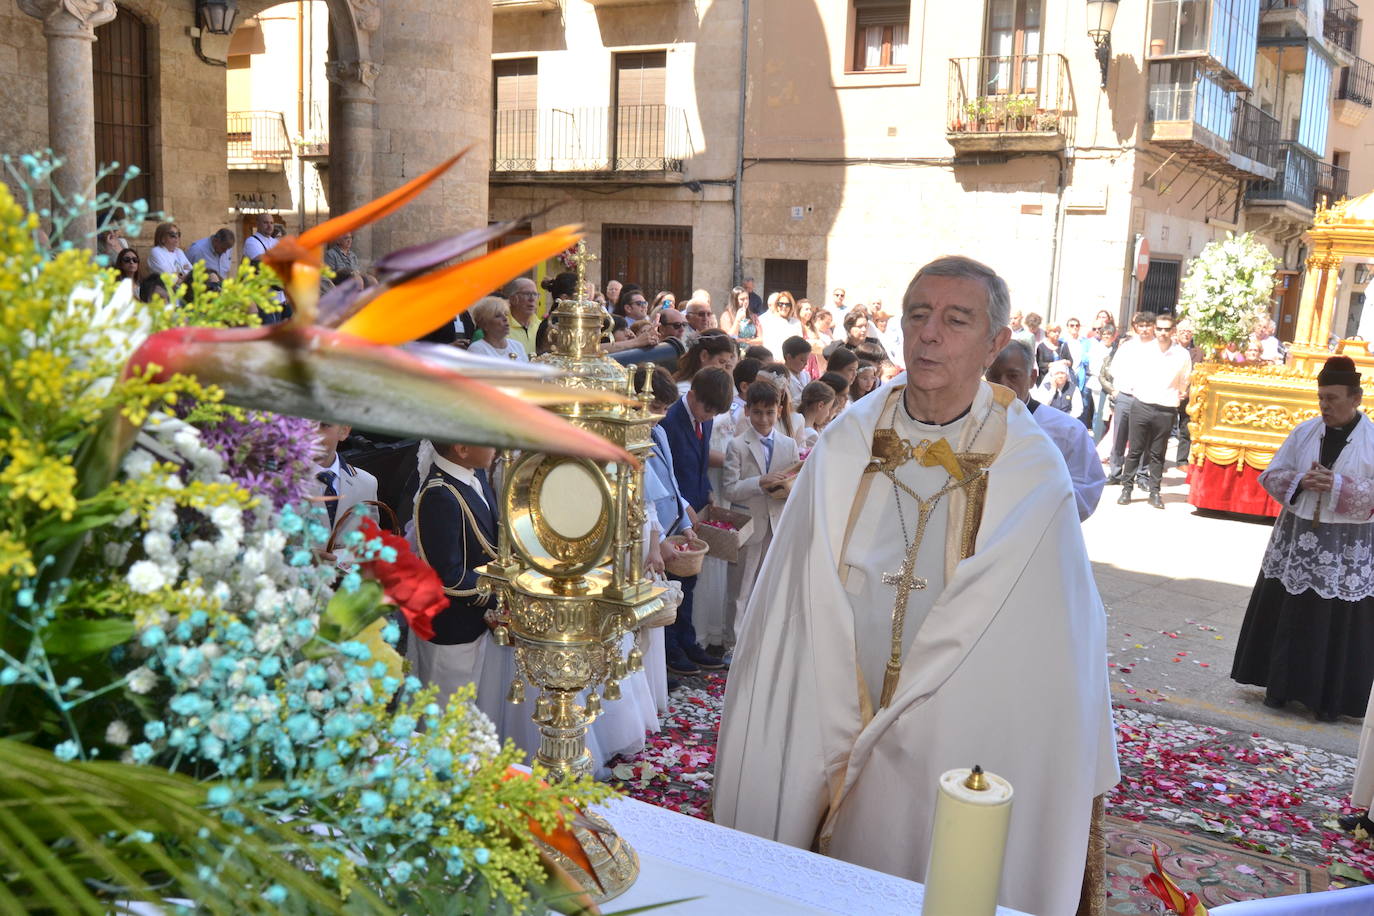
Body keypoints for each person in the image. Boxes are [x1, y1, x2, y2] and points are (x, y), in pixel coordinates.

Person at [714, 255, 1118, 916]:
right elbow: (793, 599)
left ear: (994, 343)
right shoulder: (847, 441)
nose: (929, 333)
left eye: (956, 320)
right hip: (835, 692)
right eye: (918, 315)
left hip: (960, 723)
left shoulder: (1031, 469)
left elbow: (1053, 642)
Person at [1231, 356, 1374, 723]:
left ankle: (1326, 699)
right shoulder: (1305, 432)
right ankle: (1279, 688)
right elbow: (1272, 474)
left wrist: (1339, 485)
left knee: (1333, 620)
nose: (1325, 405)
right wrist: (1299, 482)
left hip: (1344, 545)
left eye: (1333, 398)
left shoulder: (1371, 440)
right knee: (1290, 613)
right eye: (1321, 397)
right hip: (1298, 539)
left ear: (1355, 399)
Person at [408, 439, 501, 712]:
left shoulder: (476, 475)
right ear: (462, 449)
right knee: (444, 711)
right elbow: (450, 577)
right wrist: (502, 596)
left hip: (474, 620)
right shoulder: (439, 494)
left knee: (466, 705)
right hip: (451, 626)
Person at [660, 367, 734, 675]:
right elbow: (667, 472)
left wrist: (707, 492)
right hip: (673, 512)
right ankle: (671, 646)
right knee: (673, 583)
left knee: (689, 583)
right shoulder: (670, 421)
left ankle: (687, 640)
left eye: (715, 412)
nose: (709, 415)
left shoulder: (705, 417)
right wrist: (685, 504)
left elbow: (700, 464)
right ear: (691, 396)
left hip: (694, 506)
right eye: (706, 408)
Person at [722, 378, 801, 650]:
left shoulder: (789, 445)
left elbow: (793, 483)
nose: (764, 419)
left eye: (769, 412)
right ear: (747, 411)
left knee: (767, 586)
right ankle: (733, 643)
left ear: (779, 410)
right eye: (757, 412)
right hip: (749, 524)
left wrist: (787, 487)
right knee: (740, 589)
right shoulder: (737, 445)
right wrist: (760, 481)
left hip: (776, 523)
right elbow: (730, 489)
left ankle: (759, 642)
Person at [987, 342, 1104, 521]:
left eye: (1013, 376)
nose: (1003, 384)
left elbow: (1086, 490)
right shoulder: (971, 423)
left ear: (1032, 377)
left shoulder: (1068, 430)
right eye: (994, 376)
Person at [1117, 312, 1192, 509]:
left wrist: (1181, 392)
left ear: (1173, 331)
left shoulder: (1182, 354)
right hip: (1142, 403)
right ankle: (1126, 488)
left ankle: (1155, 492)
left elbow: (1185, 379)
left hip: (1166, 408)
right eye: (1159, 328)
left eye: (1167, 329)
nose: (1162, 333)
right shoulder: (1144, 350)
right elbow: (1129, 371)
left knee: (1158, 453)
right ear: (1155, 329)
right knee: (1135, 450)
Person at [1102, 311, 1156, 484]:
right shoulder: (1127, 346)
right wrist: (1117, 391)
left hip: (1147, 398)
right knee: (1119, 436)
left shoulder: (1160, 348)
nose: (1145, 329)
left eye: (1148, 325)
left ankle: (1141, 475)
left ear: (1153, 327)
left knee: (1143, 438)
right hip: (1125, 395)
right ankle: (1116, 473)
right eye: (1141, 326)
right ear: (1136, 327)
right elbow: (1115, 369)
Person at [309, 421, 379, 535]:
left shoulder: (367, 484)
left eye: (324, 425)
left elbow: (371, 539)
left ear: (344, 431)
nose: (313, 432)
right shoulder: (279, 484)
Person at [466, 296, 528, 362]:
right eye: (498, 316)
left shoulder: (517, 346)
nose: (505, 318)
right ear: (484, 324)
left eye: (506, 314)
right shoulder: (477, 349)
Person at [759, 291, 803, 356]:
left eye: (787, 304)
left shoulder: (796, 323)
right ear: (776, 305)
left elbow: (799, 343)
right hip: (773, 360)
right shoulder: (769, 321)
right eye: (781, 304)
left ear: (791, 306)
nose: (784, 307)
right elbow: (767, 343)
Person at [506, 276, 542, 354]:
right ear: (512, 299)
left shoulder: (541, 326)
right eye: (527, 294)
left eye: (535, 294)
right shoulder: (501, 327)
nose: (532, 299)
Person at [797, 380, 837, 450]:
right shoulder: (812, 435)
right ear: (820, 405)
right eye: (828, 408)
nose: (828, 414)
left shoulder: (797, 422)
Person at [780, 335, 812, 402]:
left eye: (807, 360)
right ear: (789, 357)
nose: (806, 363)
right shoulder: (781, 378)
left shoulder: (806, 375)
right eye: (802, 360)